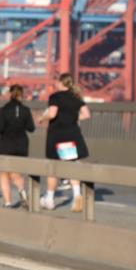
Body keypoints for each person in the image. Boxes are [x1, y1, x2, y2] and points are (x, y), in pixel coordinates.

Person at [38, 73, 91, 212]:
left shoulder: (55, 97)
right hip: (72, 135)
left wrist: (42, 118)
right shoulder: (76, 97)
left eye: (56, 81)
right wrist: (71, 118)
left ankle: (49, 199)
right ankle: (77, 196)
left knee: (53, 166)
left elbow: (53, 114)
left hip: (57, 135)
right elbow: (86, 114)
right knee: (71, 165)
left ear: (61, 83)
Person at [0, 84, 35, 208]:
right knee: (16, 171)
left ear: (10, 94)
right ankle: (22, 191)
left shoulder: (4, 110)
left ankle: (8, 202)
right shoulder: (26, 110)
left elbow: (0, 128)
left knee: (4, 173)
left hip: (6, 144)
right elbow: (31, 128)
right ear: (21, 95)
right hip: (22, 144)